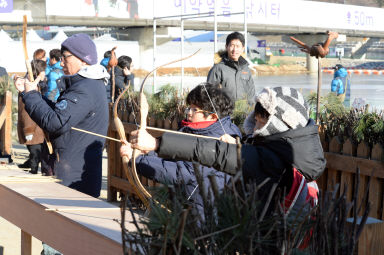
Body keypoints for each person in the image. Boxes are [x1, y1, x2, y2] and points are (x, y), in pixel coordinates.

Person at [123, 87, 325, 219]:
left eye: (262, 122)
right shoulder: (283, 152)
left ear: (279, 125)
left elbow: (212, 153)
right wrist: (237, 143)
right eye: (256, 119)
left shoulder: (272, 159)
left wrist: (156, 144)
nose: (255, 126)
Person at [120, 83, 242, 215]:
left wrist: (137, 159)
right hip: (187, 204)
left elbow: (181, 172)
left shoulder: (218, 140)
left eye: (195, 110)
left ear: (213, 116)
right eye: (189, 108)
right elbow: (170, 155)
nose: (188, 113)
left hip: (204, 211)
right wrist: (144, 152)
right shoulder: (193, 130)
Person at [14, 33, 110, 198]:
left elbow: (55, 121)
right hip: (72, 171)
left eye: (66, 57)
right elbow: (61, 113)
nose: (61, 62)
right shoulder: (87, 84)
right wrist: (30, 93)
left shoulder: (85, 88)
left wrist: (31, 96)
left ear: (83, 59)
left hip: (76, 178)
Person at [207, 31, 255, 105]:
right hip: (225, 114)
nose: (234, 50)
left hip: (244, 113)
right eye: (232, 45)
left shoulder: (246, 69)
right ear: (226, 47)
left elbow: (251, 94)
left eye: (238, 46)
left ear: (242, 48)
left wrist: (250, 110)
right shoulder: (218, 69)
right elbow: (210, 94)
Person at [17, 60, 46, 174]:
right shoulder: (28, 86)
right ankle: (32, 170)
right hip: (32, 126)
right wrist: (28, 130)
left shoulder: (34, 84)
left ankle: (28, 165)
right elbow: (26, 112)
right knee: (35, 151)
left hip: (37, 125)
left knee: (36, 150)